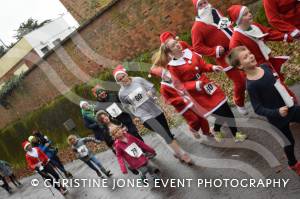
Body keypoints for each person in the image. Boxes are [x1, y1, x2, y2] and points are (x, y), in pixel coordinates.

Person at [152, 31, 247, 143]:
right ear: (170, 52)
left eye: (176, 42)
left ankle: (234, 133)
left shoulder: (189, 53)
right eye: (173, 45)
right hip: (198, 94)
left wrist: (212, 68)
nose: (177, 44)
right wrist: (195, 85)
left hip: (208, 85)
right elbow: (179, 85)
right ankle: (219, 130)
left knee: (225, 108)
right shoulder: (172, 67)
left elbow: (202, 65)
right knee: (220, 113)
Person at [227, 46, 300, 175]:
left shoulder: (265, 67)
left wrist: (288, 96)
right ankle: (293, 164)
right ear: (240, 66)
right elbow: (258, 108)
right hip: (277, 118)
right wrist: (276, 112)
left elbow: (277, 84)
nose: (250, 56)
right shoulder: (251, 85)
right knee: (289, 142)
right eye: (245, 57)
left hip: (290, 107)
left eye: (250, 53)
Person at [114, 64, 193, 164]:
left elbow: (152, 88)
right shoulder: (122, 93)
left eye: (123, 76)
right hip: (144, 115)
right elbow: (126, 107)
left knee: (167, 133)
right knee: (164, 134)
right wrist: (135, 114)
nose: (122, 79)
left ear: (126, 74)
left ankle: (175, 151)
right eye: (119, 79)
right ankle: (183, 154)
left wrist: (150, 93)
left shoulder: (138, 80)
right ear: (118, 82)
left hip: (155, 109)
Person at [191, 0, 248, 115]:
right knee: (240, 82)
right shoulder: (196, 28)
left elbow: (227, 25)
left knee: (251, 73)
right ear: (197, 9)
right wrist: (214, 51)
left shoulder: (215, 12)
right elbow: (197, 47)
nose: (204, 6)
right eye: (200, 5)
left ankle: (261, 96)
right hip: (225, 57)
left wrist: (236, 33)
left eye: (205, 2)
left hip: (238, 47)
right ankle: (239, 101)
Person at [227, 4, 294, 79]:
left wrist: (287, 37)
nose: (249, 14)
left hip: (269, 61)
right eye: (245, 14)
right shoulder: (236, 40)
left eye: (249, 12)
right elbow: (239, 63)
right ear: (238, 20)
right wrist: (253, 77)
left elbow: (269, 33)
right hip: (259, 70)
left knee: (282, 85)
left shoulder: (254, 25)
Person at [149, 66, 213, 139]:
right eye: (165, 74)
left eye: (167, 72)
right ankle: (193, 129)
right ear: (162, 77)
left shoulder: (176, 78)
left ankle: (207, 132)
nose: (168, 74)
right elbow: (168, 101)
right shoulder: (163, 88)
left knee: (202, 117)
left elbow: (185, 85)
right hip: (183, 107)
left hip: (191, 101)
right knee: (194, 120)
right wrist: (181, 100)